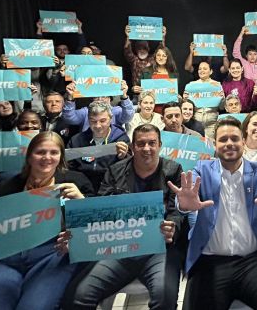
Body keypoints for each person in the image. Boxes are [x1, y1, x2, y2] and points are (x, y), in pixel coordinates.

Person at [167, 118, 257, 310]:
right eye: (223, 139)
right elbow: (184, 199)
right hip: (210, 262)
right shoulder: (201, 169)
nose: (229, 143)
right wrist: (184, 205)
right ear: (215, 144)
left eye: (234, 138)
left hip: (253, 261)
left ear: (243, 142)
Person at [0, 132, 94, 310]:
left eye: (54, 152)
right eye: (40, 152)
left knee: (34, 306)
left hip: (53, 255)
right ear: (29, 156)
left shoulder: (77, 183)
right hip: (7, 256)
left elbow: (95, 228)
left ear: (61, 157)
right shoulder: (8, 187)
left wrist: (81, 201)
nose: (47, 157)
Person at [63, 124, 183, 310]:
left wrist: (173, 227)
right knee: (79, 296)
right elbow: (101, 211)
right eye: (141, 144)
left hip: (159, 249)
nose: (146, 148)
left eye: (152, 143)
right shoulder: (115, 170)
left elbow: (178, 210)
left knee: (164, 299)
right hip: (120, 247)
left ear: (160, 145)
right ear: (133, 146)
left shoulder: (173, 170)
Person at [66, 102, 130, 192]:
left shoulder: (121, 139)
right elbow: (69, 168)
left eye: (103, 121)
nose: (98, 125)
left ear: (111, 119)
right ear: (88, 120)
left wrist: (124, 157)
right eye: (93, 121)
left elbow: (128, 170)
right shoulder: (76, 141)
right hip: (82, 188)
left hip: (111, 188)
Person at [63, 81, 134, 133]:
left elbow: (128, 117)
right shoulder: (86, 112)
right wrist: (70, 96)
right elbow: (69, 119)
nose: (100, 100)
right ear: (92, 99)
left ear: (110, 99)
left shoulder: (115, 111)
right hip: (88, 145)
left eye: (104, 97)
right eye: (96, 97)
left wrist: (124, 95)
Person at [183, 61, 225, 140]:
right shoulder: (191, 86)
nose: (202, 71)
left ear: (211, 71)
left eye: (205, 69)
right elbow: (186, 106)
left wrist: (222, 99)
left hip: (212, 124)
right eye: (200, 69)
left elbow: (222, 107)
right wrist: (185, 99)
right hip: (196, 123)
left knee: (210, 148)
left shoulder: (217, 85)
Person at [124, 24, 166, 98]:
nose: (142, 50)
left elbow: (161, 49)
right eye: (139, 48)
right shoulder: (134, 60)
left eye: (144, 48)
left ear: (148, 49)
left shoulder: (153, 59)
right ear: (136, 50)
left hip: (153, 94)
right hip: (138, 95)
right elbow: (127, 50)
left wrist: (162, 36)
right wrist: (128, 37)